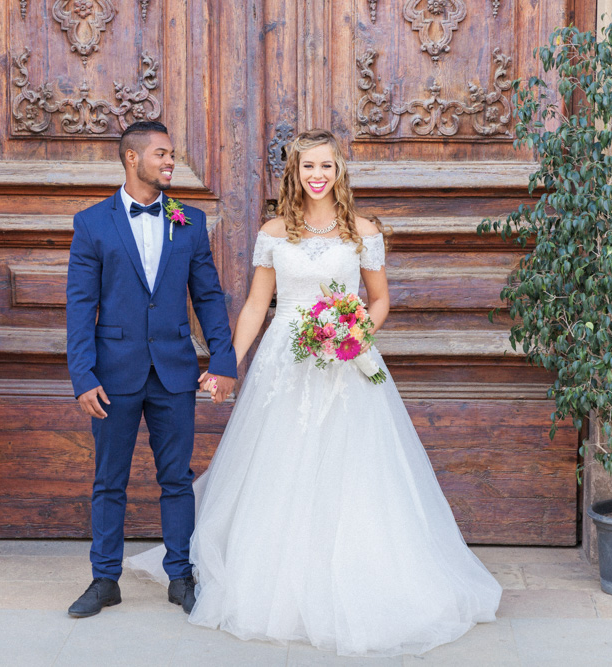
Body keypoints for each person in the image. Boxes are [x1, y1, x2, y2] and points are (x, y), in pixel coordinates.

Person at [127, 129, 502, 656]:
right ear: (294, 173)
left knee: (354, 467)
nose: (317, 176)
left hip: (349, 364)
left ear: (338, 171)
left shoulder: (362, 231)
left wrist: (352, 335)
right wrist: (226, 361)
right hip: (287, 361)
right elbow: (259, 305)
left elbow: (379, 300)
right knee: (282, 463)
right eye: (308, 168)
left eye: (326, 166)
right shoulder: (276, 231)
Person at [65, 120, 237, 618]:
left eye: (172, 154)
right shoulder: (92, 223)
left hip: (173, 372)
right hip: (112, 375)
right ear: (131, 158)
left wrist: (222, 361)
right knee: (108, 480)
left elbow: (207, 296)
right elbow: (80, 306)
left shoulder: (190, 221)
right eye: (161, 154)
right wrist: (83, 375)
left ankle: (180, 576)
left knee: (176, 478)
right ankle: (104, 581)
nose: (170, 162)